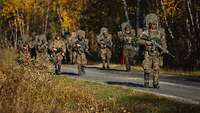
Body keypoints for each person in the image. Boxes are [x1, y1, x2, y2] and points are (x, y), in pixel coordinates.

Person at [137, 13, 167, 88]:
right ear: (149, 24)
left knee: (156, 69)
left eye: (155, 24)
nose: (154, 25)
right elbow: (138, 40)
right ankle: (146, 83)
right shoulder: (145, 33)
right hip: (148, 53)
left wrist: (164, 49)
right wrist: (146, 42)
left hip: (157, 54)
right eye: (152, 24)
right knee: (147, 69)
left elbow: (163, 42)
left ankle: (155, 83)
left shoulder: (160, 33)